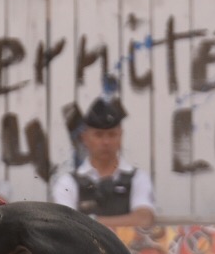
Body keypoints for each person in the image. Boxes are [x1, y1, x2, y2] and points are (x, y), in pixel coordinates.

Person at [51, 96, 156, 228]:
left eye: (112, 134)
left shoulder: (138, 178)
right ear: (85, 138)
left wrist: (90, 222)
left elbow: (143, 220)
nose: (106, 142)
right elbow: (65, 225)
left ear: (120, 136)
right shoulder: (67, 183)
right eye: (98, 135)